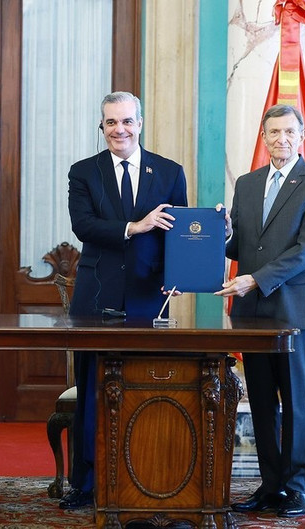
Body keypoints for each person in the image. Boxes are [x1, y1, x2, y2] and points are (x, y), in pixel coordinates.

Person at [62, 91, 188, 509]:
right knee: (92, 391)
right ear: (102, 127)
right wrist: (136, 226)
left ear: (140, 123)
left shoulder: (169, 172)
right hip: (95, 297)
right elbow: (84, 226)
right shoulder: (84, 172)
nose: (120, 130)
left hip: (148, 297)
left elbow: (180, 233)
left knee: (142, 389)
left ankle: (144, 476)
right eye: (111, 123)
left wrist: (182, 274)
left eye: (127, 122)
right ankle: (86, 484)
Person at [215, 104, 305, 518]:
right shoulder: (248, 184)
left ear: (301, 136)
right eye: (273, 132)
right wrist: (222, 234)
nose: (281, 139)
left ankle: (297, 487)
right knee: (262, 401)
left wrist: (255, 278)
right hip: (251, 311)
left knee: (297, 402)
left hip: (294, 309)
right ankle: (270, 487)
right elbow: (241, 247)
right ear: (263, 137)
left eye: (289, 131)